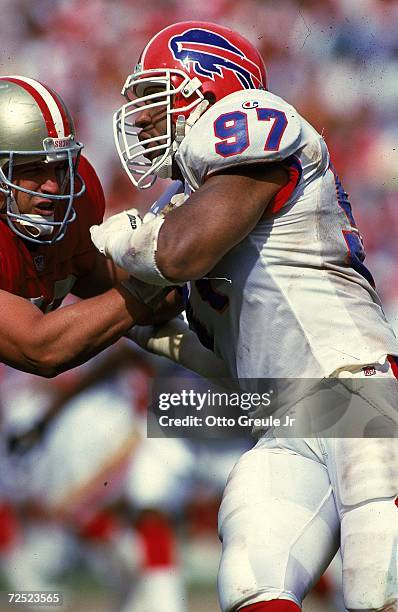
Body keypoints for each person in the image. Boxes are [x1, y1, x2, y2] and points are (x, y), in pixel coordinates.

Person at [91, 21, 398, 612]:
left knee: (377, 595)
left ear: (209, 88)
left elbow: (179, 252)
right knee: (252, 580)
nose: (140, 118)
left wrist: (120, 240)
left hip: (360, 399)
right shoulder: (179, 207)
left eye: (157, 95)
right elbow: (223, 349)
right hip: (282, 419)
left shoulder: (253, 120)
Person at [0, 75, 169, 378]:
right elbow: (41, 349)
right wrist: (158, 281)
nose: (53, 185)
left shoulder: (75, 201)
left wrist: (169, 255)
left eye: (60, 166)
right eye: (33, 169)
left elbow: (98, 277)